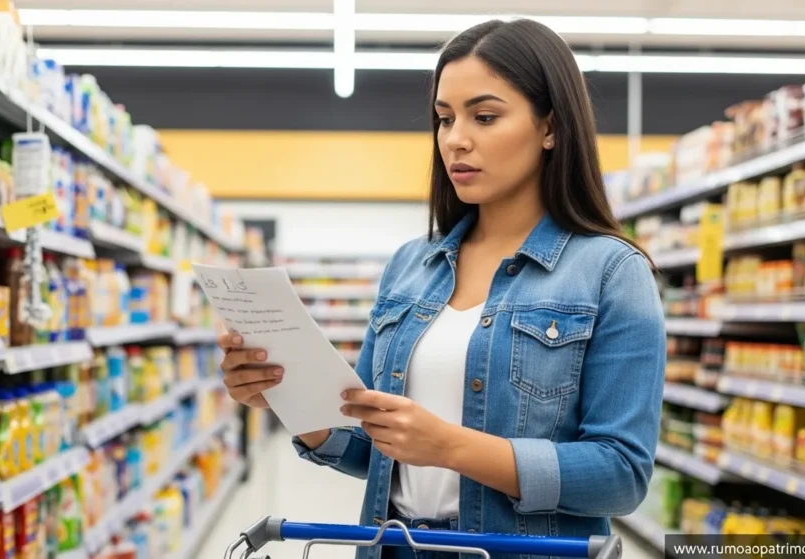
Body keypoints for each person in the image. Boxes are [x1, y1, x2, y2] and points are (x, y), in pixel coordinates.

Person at [218, 18, 666, 559]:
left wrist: (452, 447)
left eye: (485, 116)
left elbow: (621, 474)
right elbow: (371, 448)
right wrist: (291, 401)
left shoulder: (612, 273)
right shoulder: (412, 265)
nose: (456, 139)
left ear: (550, 126)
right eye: (444, 118)